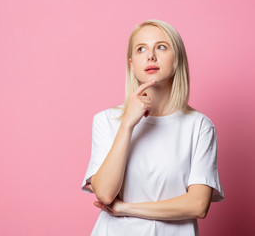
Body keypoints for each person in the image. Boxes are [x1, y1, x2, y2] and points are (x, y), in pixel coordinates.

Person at [81, 19, 225, 236]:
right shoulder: (106, 121)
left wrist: (127, 208)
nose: (151, 56)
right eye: (141, 49)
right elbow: (105, 194)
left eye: (161, 47)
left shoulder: (199, 126)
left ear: (177, 59)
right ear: (131, 63)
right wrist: (128, 124)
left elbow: (198, 205)